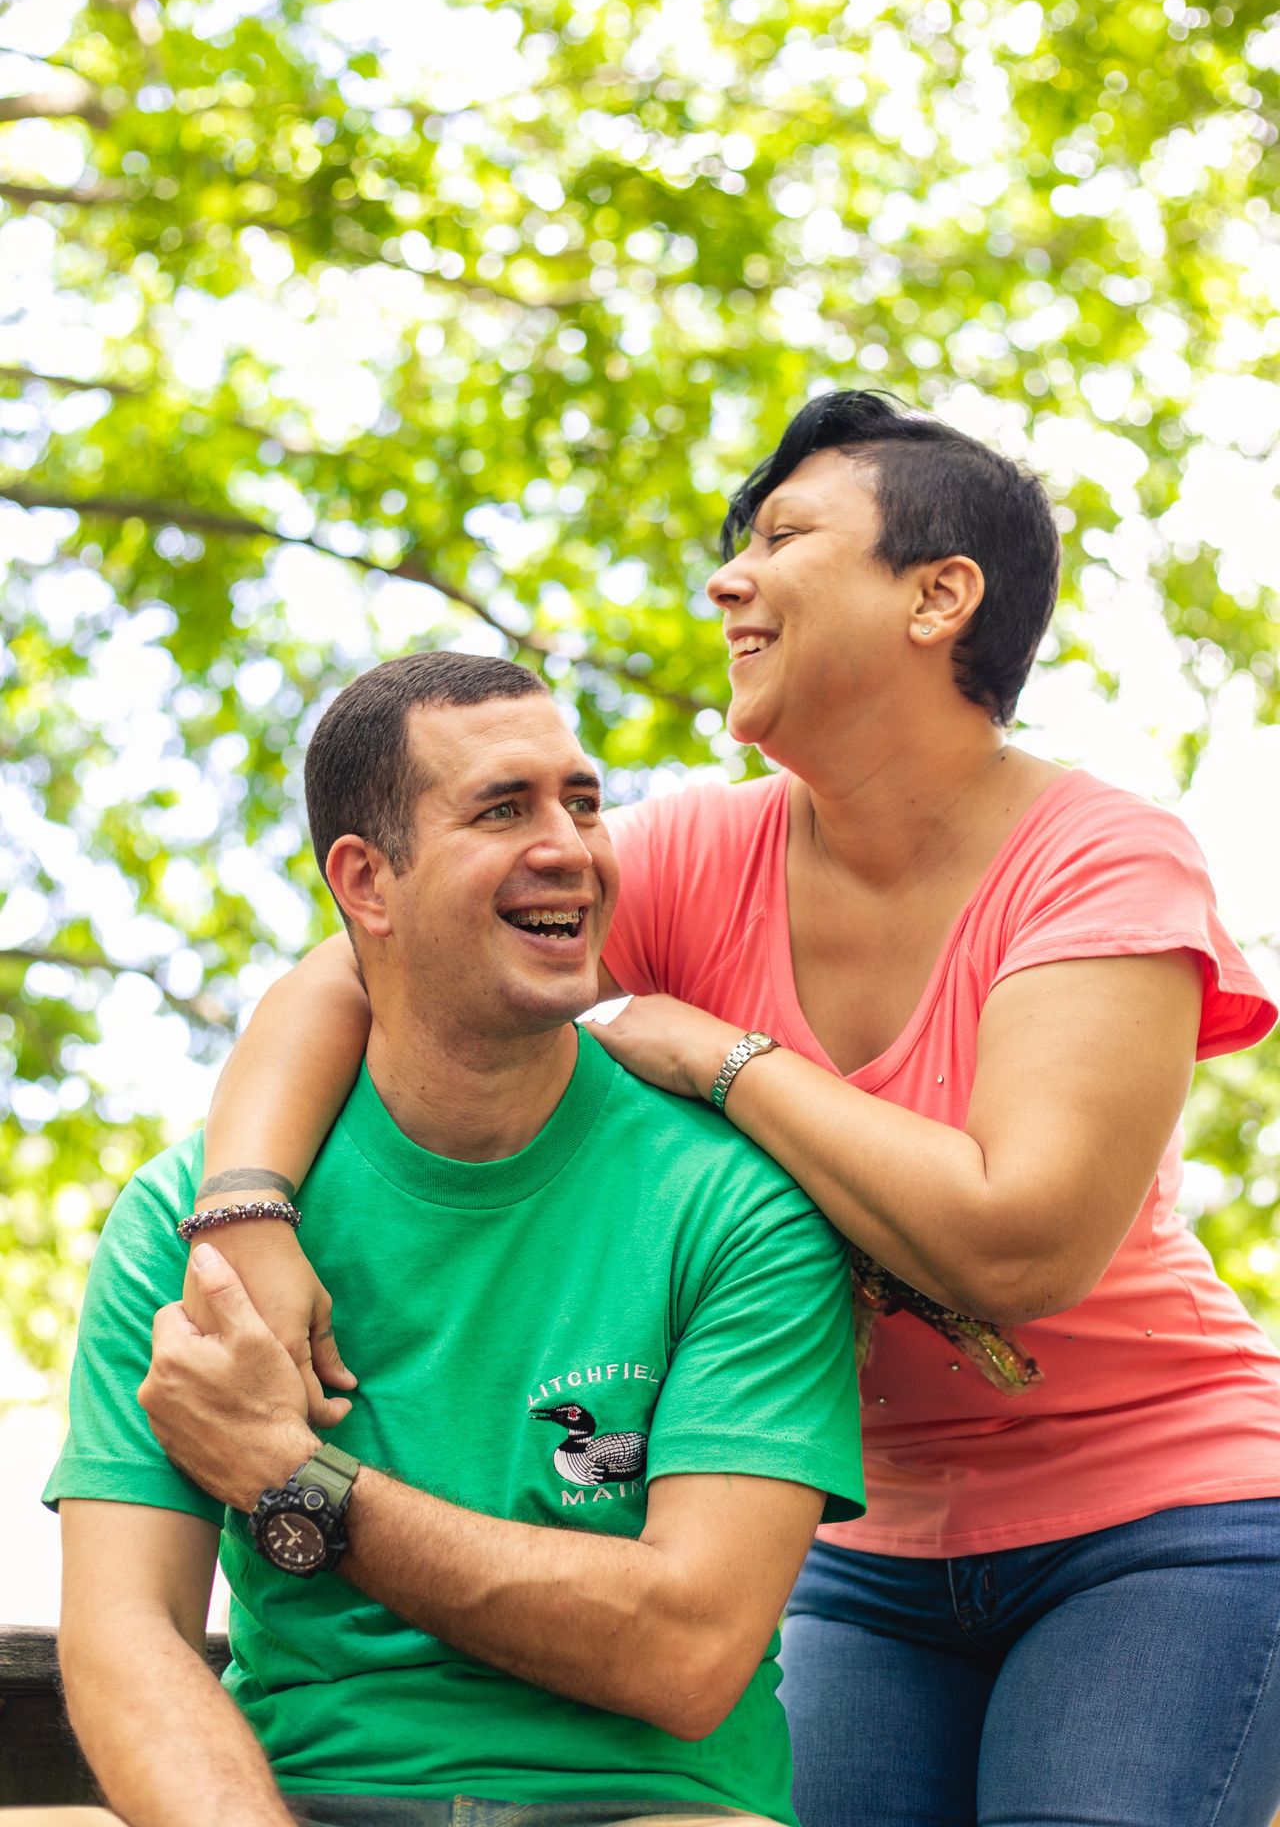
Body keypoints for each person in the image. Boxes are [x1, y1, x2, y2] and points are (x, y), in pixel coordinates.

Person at [177, 392, 1280, 1827]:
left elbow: (1021, 1246)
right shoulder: (701, 844)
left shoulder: (1104, 862)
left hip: (1162, 1524)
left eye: (784, 536)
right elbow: (357, 967)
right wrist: (246, 1206)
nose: (727, 579)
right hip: (862, 1555)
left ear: (940, 597)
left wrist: (723, 1059)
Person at [43, 651, 866, 1827]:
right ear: (365, 883)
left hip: (640, 1807)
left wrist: (298, 1477)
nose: (570, 846)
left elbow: (685, 1654)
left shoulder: (740, 1207)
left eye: (581, 801)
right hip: (299, 1797)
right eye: (501, 809)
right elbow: (128, 1639)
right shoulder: (195, 1229)